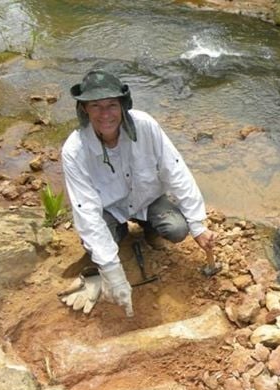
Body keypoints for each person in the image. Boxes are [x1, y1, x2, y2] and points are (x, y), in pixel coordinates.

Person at [59, 69, 216, 317]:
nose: (105, 114)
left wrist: (198, 224)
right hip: (108, 209)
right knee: (97, 247)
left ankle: (150, 228)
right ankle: (119, 233)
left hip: (148, 199)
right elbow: (85, 209)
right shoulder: (75, 150)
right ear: (84, 109)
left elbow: (175, 170)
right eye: (96, 106)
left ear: (123, 105)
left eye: (112, 105)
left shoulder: (145, 125)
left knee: (178, 229)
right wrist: (112, 273)